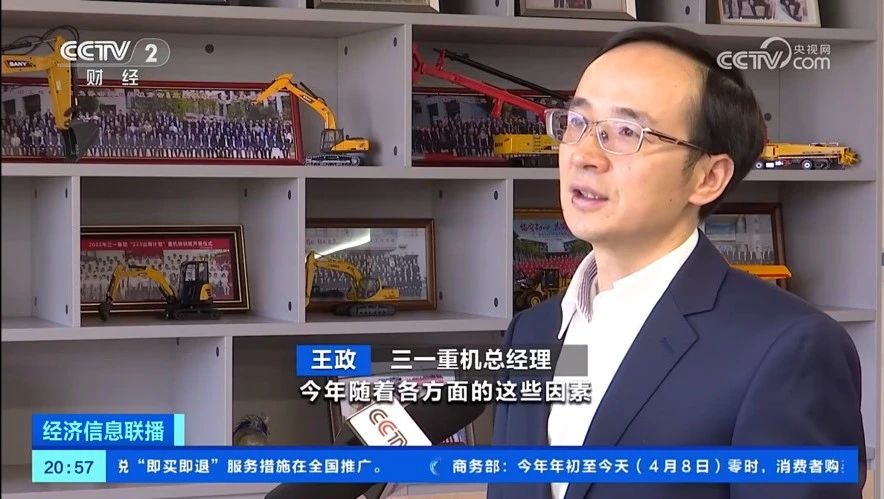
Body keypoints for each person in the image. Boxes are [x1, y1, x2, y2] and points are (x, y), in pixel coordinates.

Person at [488, 26, 866, 499]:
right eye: (577, 123)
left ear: (708, 177)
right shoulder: (529, 332)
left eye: (625, 132)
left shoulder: (792, 350)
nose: (583, 155)